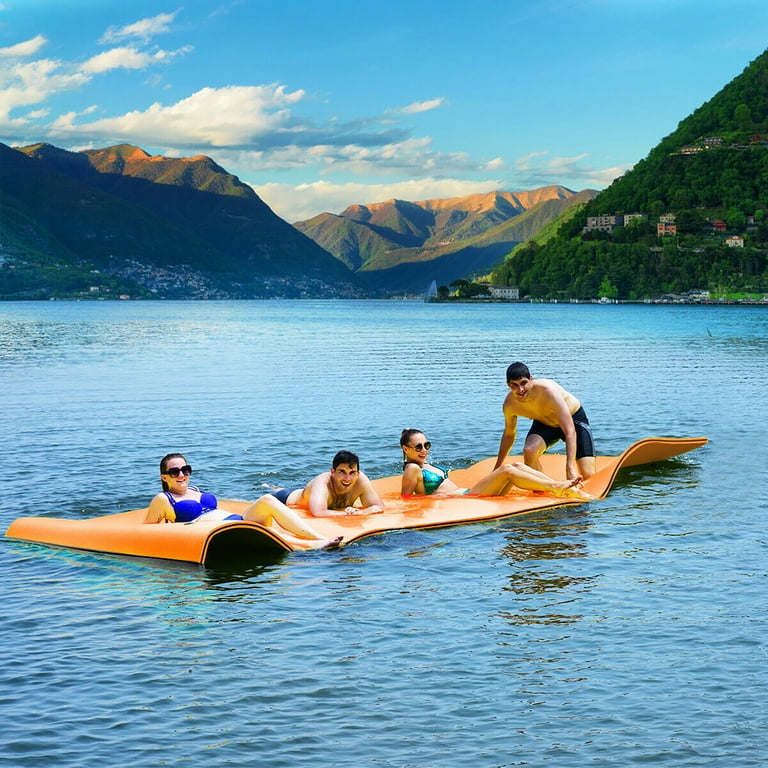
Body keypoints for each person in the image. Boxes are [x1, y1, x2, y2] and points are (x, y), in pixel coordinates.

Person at [145, 453, 342, 549]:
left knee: (267, 499)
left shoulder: (195, 490)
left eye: (185, 470)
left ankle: (316, 536)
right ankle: (313, 545)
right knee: (268, 528)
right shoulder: (164, 498)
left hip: (237, 519)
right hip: (220, 532)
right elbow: (147, 529)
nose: (181, 475)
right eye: (174, 471)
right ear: (164, 477)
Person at [400, 429, 592, 499]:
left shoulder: (423, 465)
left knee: (516, 465)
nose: (424, 450)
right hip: (465, 499)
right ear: (405, 449)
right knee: (507, 469)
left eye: (427, 445)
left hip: (466, 492)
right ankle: (556, 488)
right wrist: (438, 500)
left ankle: (561, 487)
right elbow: (407, 499)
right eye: (418, 447)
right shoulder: (412, 469)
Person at [495, 361, 596, 483]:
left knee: (588, 475)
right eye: (514, 385)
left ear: (531, 379)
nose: (520, 389)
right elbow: (509, 435)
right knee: (529, 450)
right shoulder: (510, 405)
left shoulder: (549, 392)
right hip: (545, 424)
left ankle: (579, 470)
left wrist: (569, 469)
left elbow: (570, 432)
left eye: (523, 383)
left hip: (574, 421)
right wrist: (497, 468)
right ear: (508, 385)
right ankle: (548, 485)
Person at [267, 450, 385, 517]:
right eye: (342, 472)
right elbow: (317, 512)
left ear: (358, 473)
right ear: (332, 472)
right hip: (287, 498)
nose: (347, 478)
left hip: (311, 494)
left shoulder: (361, 480)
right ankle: (268, 487)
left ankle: (274, 487)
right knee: (273, 492)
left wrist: (365, 511)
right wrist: (358, 513)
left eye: (352, 472)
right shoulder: (322, 482)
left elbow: (378, 507)